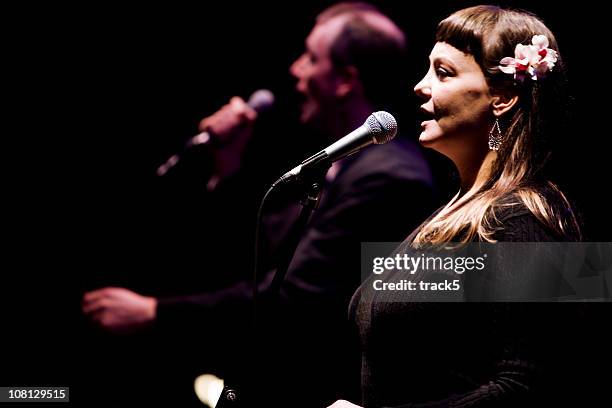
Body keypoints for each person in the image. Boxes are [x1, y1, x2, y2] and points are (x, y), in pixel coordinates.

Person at [82, 2, 437, 407]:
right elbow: (257, 253)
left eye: (311, 57)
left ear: (344, 80)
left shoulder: (389, 177)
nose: (295, 70)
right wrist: (228, 165)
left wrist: (155, 313)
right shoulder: (336, 163)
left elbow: (292, 296)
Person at [329, 5, 589, 408]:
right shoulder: (454, 213)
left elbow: (531, 386)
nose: (420, 85)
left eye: (443, 72)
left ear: (502, 97)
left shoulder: (532, 217)